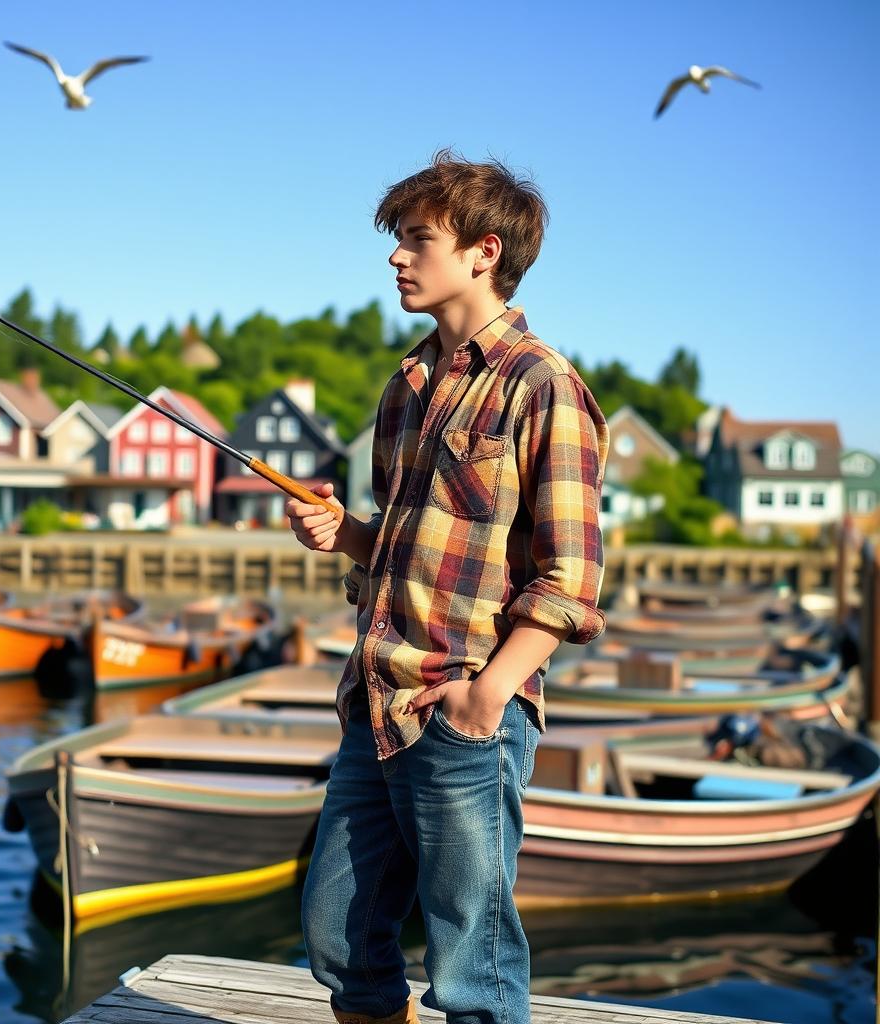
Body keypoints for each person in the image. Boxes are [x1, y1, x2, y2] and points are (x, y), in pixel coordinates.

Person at [285, 149, 608, 1024]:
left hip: (464, 711)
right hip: (376, 700)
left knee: (472, 969)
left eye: (416, 239)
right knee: (337, 937)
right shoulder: (407, 385)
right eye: (397, 239)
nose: (396, 256)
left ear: (484, 252)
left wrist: (488, 695)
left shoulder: (544, 387)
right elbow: (398, 545)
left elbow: (571, 577)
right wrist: (343, 532)